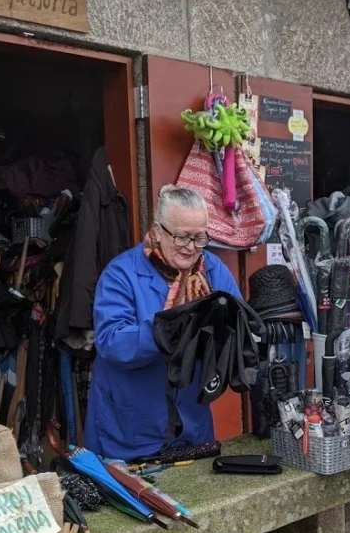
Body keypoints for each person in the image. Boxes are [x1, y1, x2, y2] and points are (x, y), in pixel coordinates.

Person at [85, 185, 242, 462]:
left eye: (199, 237)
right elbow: (112, 342)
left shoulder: (214, 271)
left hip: (192, 425)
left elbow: (237, 327)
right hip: (130, 428)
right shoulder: (121, 274)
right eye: (182, 237)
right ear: (158, 231)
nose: (192, 248)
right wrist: (165, 330)